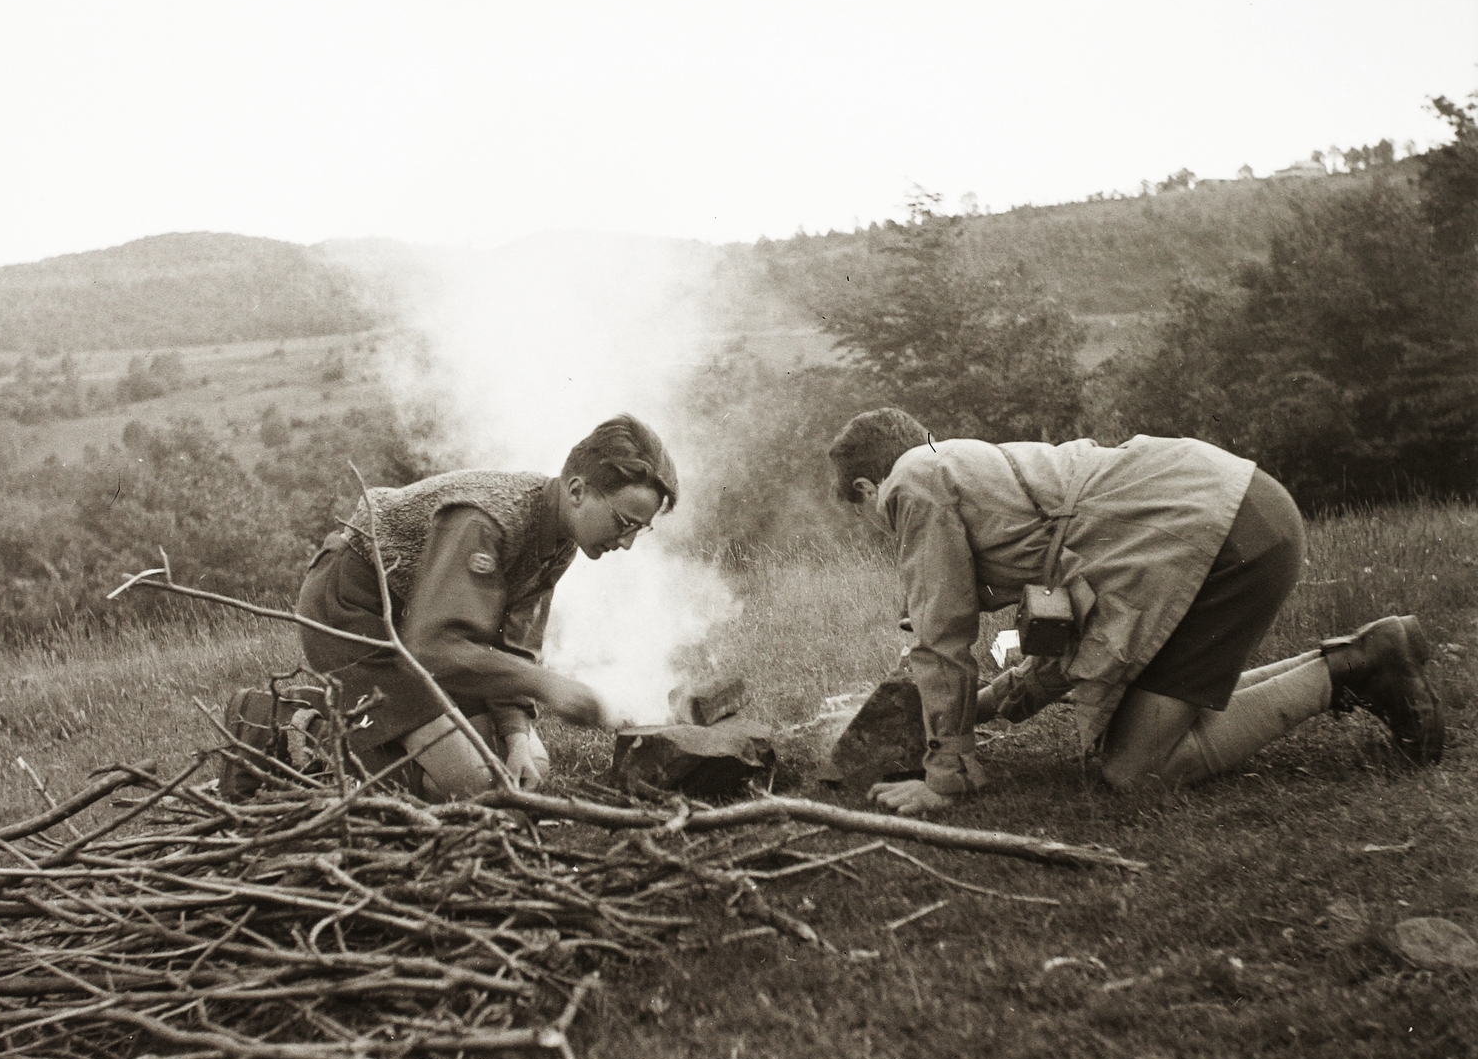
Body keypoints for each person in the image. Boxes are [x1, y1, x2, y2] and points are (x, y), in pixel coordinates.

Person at [827, 408, 1444, 816]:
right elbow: (1065, 627)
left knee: (1132, 771)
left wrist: (945, 774)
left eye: (867, 518)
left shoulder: (911, 483)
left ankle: (1359, 664)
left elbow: (941, 636)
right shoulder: (958, 467)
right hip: (1243, 516)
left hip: (1220, 537)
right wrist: (986, 706)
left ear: (864, 490)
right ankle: (1366, 656)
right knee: (1134, 722)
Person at [296, 413, 677, 798]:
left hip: (416, 622)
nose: (627, 542)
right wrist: (548, 685)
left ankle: (387, 734)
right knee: (473, 782)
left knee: (528, 766)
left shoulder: (561, 540)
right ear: (577, 491)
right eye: (624, 522)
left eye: (639, 529)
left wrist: (514, 737)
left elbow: (512, 645)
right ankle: (304, 731)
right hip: (353, 611)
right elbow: (433, 647)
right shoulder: (487, 521)